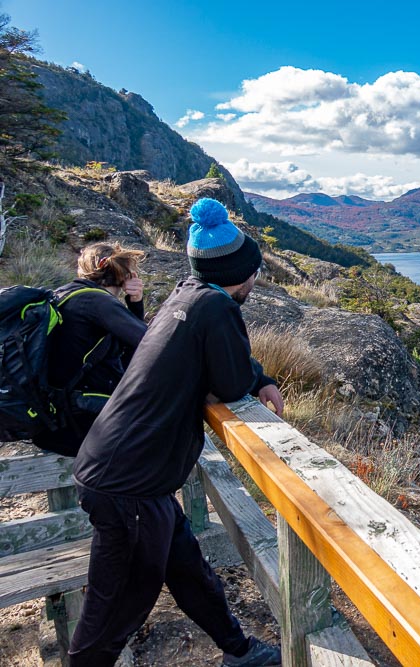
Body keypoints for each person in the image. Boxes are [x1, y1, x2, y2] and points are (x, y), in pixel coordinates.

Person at [70, 198, 284, 667]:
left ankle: (239, 650)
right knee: (112, 614)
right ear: (243, 272)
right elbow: (227, 381)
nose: (254, 281)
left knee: (187, 570)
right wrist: (255, 379)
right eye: (255, 272)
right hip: (129, 484)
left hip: (128, 471)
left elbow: (216, 360)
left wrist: (260, 374)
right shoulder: (218, 308)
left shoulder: (187, 294)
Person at [32, 242, 147, 457]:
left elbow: (131, 350)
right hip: (84, 425)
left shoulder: (65, 295)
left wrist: (135, 303)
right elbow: (151, 344)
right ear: (123, 275)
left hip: (53, 423)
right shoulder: (97, 303)